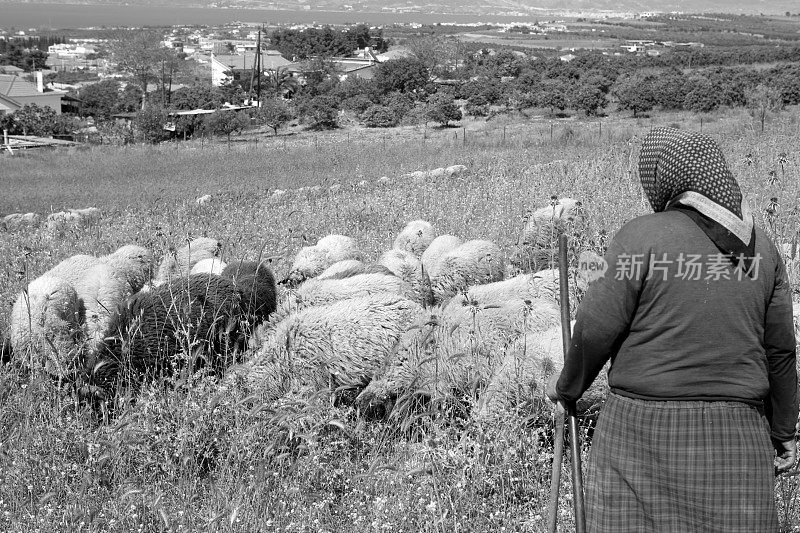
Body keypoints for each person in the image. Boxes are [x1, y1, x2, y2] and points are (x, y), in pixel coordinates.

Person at [546, 127, 798, 532]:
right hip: (737, 437)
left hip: (640, 433)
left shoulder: (640, 237)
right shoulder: (761, 251)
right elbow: (781, 349)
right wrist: (784, 427)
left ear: (665, 179)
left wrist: (568, 389)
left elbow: (594, 327)